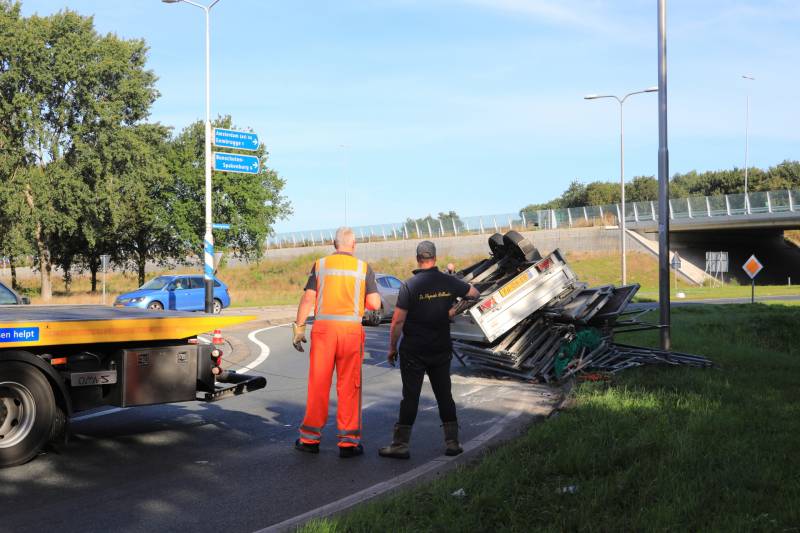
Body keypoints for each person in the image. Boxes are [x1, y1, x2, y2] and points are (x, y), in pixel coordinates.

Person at [379, 241, 479, 459]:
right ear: (435, 258)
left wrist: (391, 348)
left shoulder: (409, 285)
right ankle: (452, 442)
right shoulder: (448, 281)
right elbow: (474, 293)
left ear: (418, 259)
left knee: (410, 397)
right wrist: (453, 310)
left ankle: (400, 445)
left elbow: (397, 321)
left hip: (414, 351)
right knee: (444, 395)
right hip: (441, 349)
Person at [292, 227, 381, 458]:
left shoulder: (320, 265)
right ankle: (348, 443)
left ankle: (309, 440)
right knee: (349, 386)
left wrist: (299, 327)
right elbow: (374, 303)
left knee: (318, 384)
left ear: (334, 244)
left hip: (323, 331)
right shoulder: (363, 268)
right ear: (354, 245)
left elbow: (308, 298)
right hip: (351, 332)